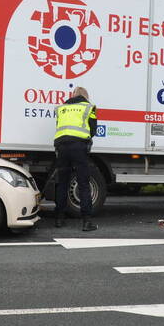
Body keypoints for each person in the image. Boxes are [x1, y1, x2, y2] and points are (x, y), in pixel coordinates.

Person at [53, 86, 98, 232]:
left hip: (61, 147)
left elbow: (59, 127)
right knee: (83, 184)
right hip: (78, 147)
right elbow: (93, 130)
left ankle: (59, 219)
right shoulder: (88, 107)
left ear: (73, 95)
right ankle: (86, 222)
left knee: (62, 183)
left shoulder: (62, 108)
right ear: (86, 96)